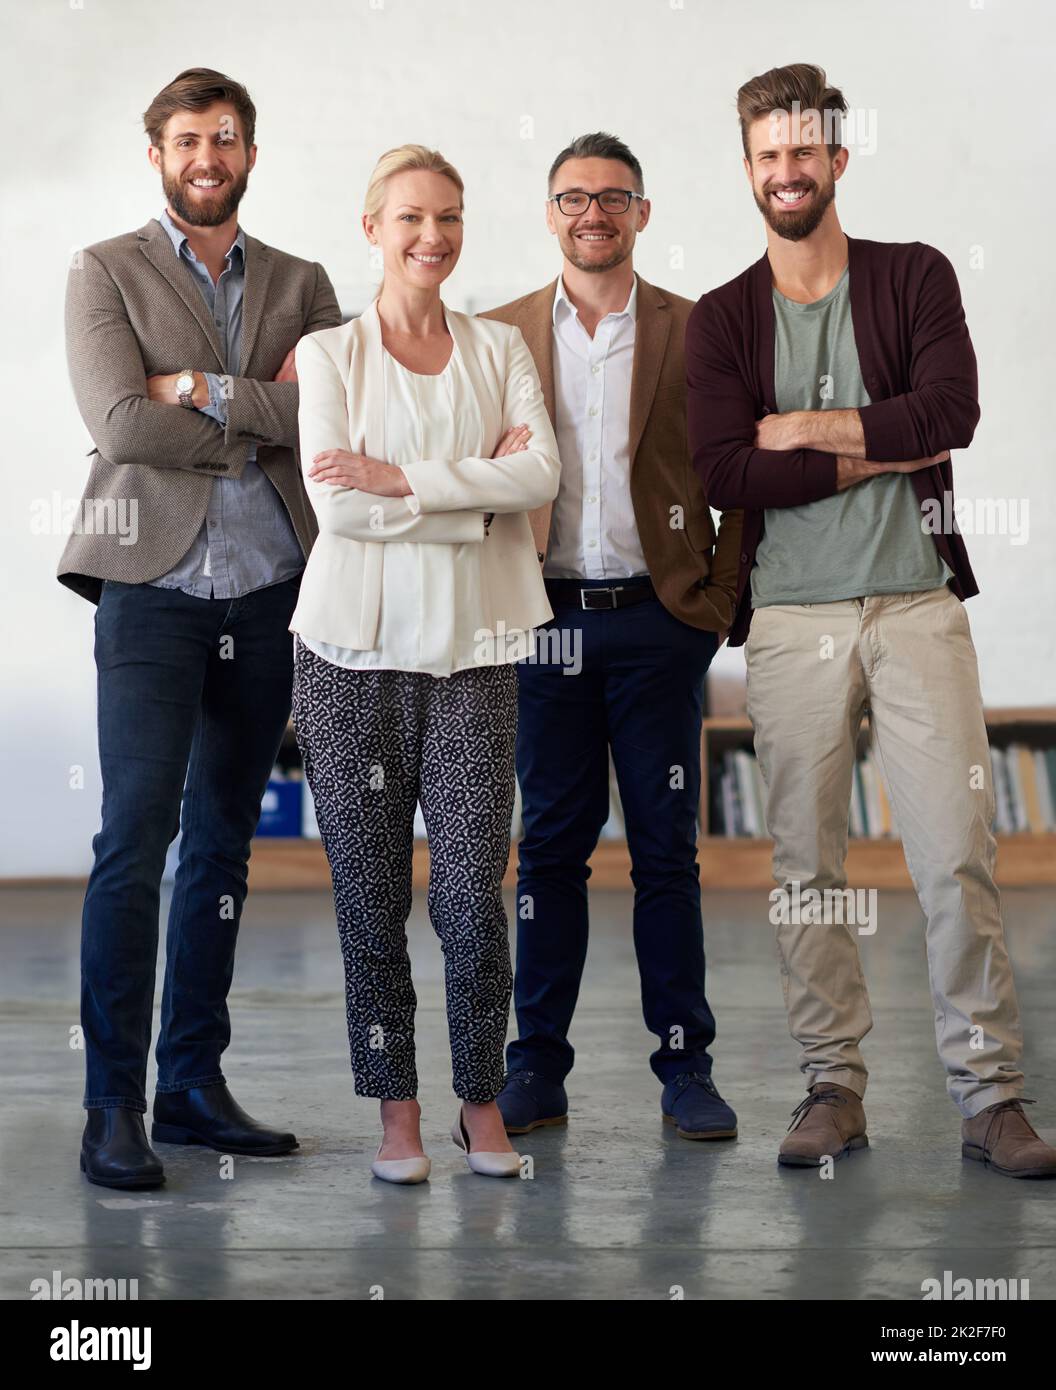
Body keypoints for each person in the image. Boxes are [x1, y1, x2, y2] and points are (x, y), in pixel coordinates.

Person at [686, 62, 1056, 1178]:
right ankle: (832, 1088)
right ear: (748, 168)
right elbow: (722, 469)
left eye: (806, 151)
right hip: (791, 621)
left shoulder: (915, 277)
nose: (787, 170)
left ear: (838, 159)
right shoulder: (721, 319)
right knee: (808, 862)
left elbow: (953, 415)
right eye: (768, 154)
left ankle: (991, 1099)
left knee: (957, 854)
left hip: (916, 602)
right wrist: (869, 449)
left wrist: (802, 429)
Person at [61, 68, 342, 1189]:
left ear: (250, 153)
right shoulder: (105, 270)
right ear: (159, 154)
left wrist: (202, 389)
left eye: (226, 137)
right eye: (188, 138)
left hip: (272, 589)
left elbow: (328, 410)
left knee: (224, 842)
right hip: (150, 588)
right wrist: (249, 408)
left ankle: (190, 1084)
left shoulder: (302, 279)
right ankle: (109, 1106)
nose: (207, 154)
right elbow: (121, 423)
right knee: (135, 839)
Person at [290, 145, 561, 1183]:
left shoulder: (499, 347)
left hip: (474, 658)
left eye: (448, 216)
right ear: (373, 228)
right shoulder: (328, 356)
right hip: (348, 660)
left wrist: (406, 478)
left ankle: (479, 1106)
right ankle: (396, 1115)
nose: (432, 237)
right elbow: (338, 507)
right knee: (369, 902)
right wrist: (475, 498)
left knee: (468, 900)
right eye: (409, 218)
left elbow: (541, 470)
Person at [480, 134, 742, 1141]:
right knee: (547, 852)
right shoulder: (498, 335)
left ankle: (686, 1067)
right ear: (551, 213)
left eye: (614, 198)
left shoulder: (700, 329)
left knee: (666, 854)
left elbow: (742, 471)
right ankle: (536, 1065)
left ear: (643, 211)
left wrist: (711, 608)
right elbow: (469, 482)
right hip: (542, 626)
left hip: (656, 625)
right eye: (573, 198)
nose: (594, 213)